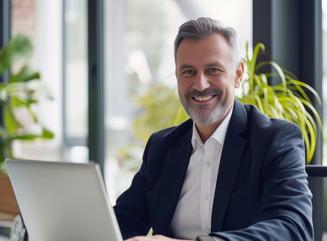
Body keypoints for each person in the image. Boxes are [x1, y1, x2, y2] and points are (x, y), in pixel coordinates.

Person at [114, 17, 313, 241]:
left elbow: (293, 228)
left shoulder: (275, 140)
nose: (200, 84)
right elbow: (122, 221)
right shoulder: (162, 147)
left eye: (213, 70)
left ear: (238, 75)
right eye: (188, 71)